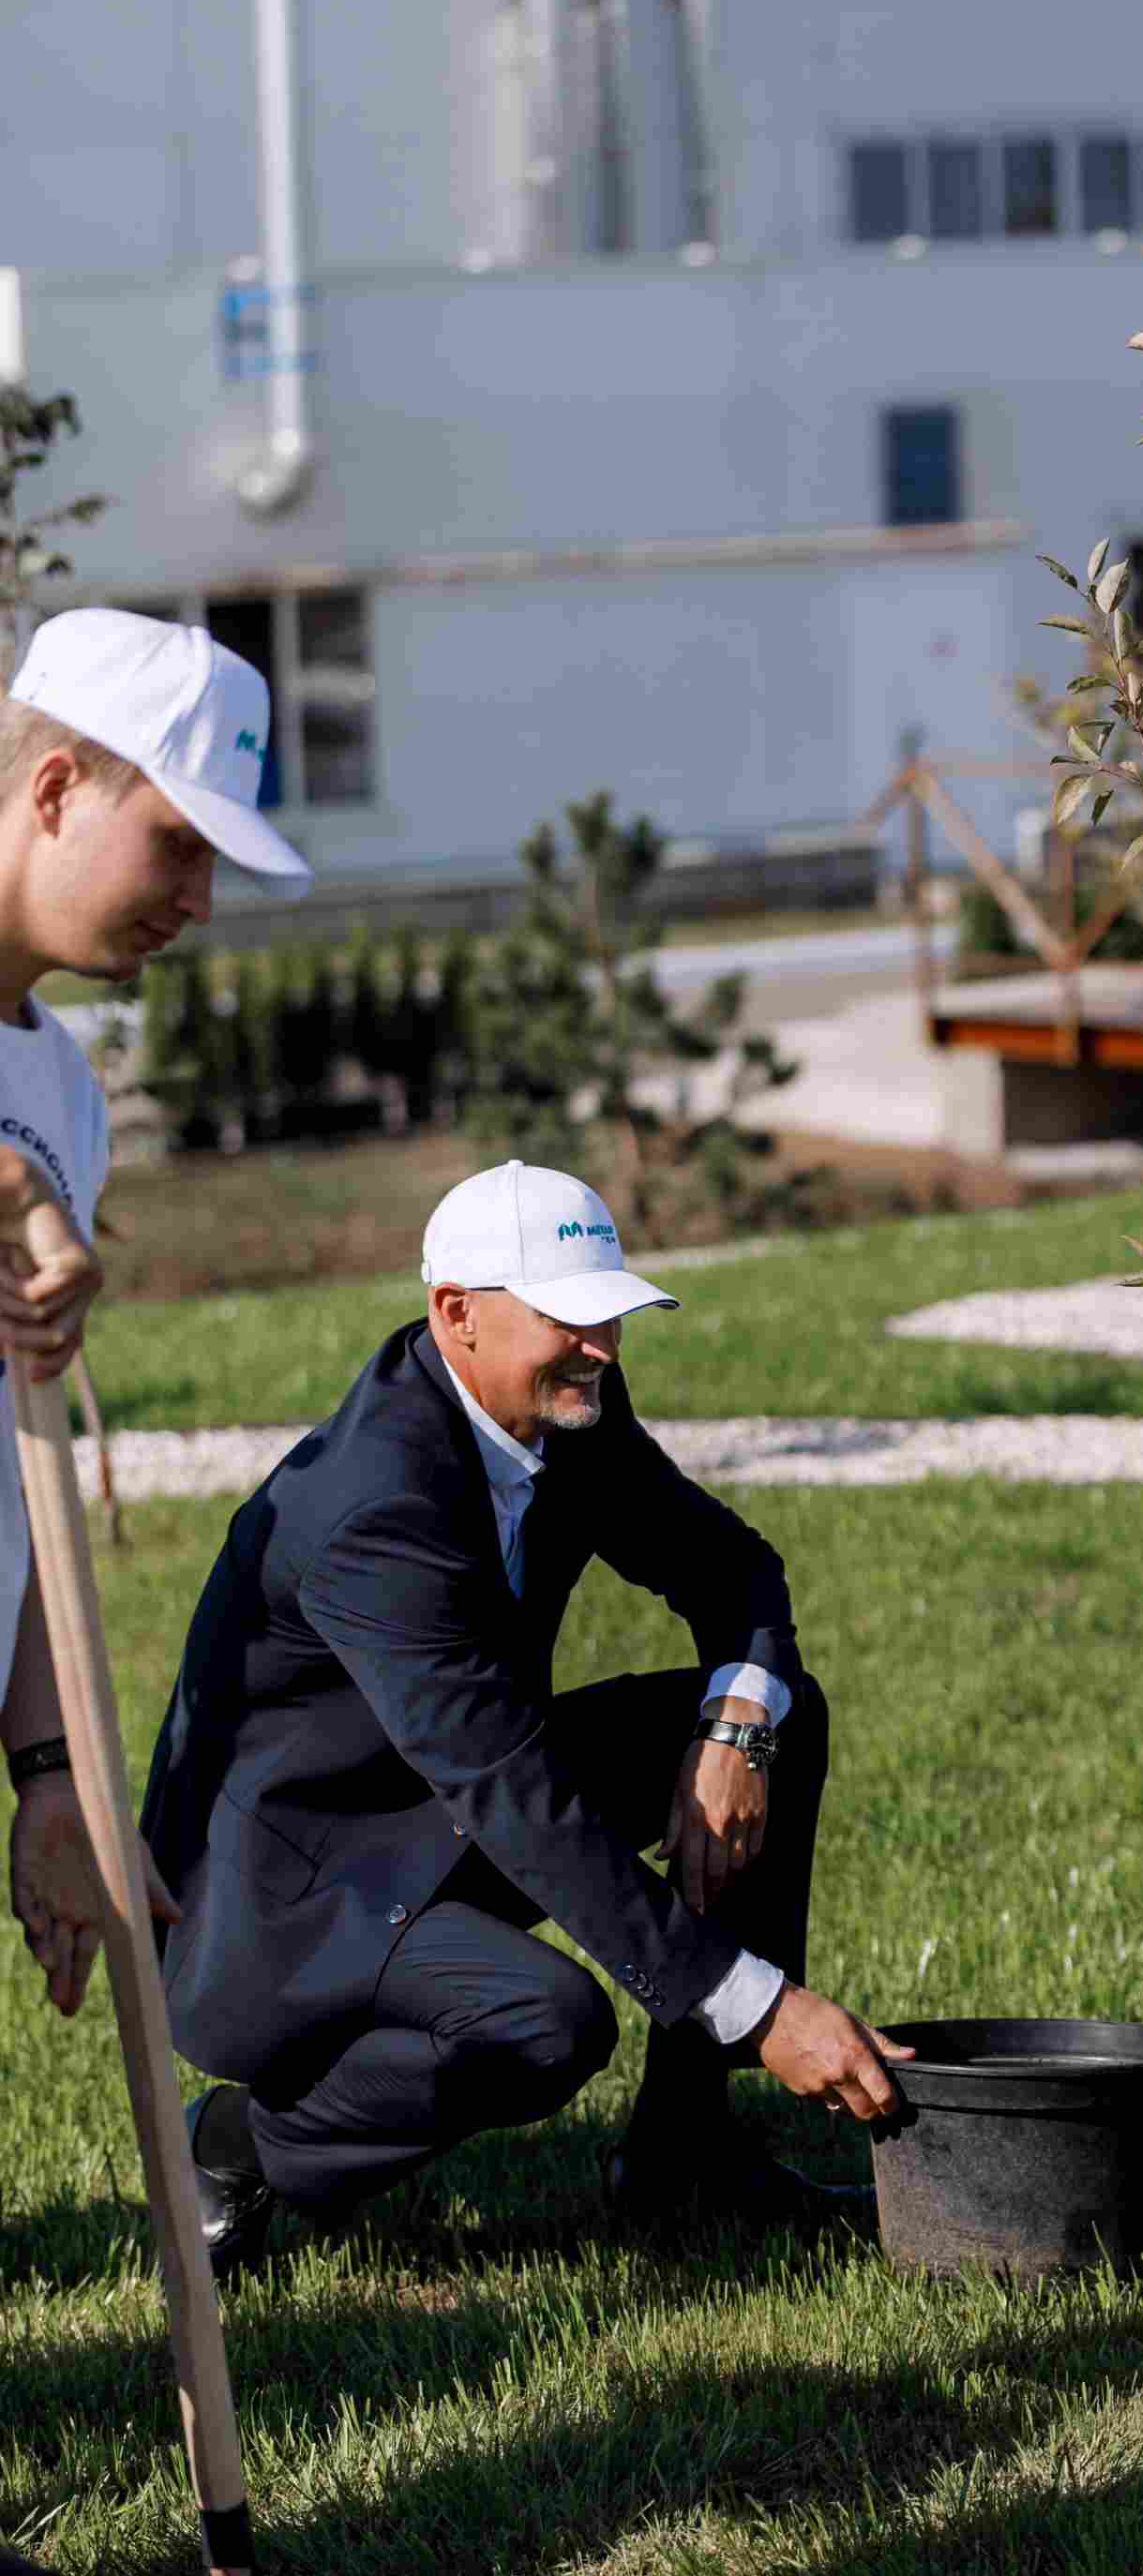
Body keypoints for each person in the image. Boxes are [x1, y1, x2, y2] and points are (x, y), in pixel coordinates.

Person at [142, 1157, 909, 2277]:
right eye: (571, 1318)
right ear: (455, 1313)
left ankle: (682, 2158)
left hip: (443, 1805)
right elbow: (513, 1793)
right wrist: (754, 2005)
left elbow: (729, 1567)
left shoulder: (566, 1406)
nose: (602, 1346)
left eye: (611, 1316)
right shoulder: (372, 1511)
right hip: (294, 1894)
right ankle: (246, 2139)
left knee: (778, 1718)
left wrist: (736, 1725)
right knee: (547, 2023)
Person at [0, 608, 310, 2010]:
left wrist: (51, 1766)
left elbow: (23, 1465)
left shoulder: (62, 1086)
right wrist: (10, 1192)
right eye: (178, 843)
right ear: (58, 788)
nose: (197, 901)